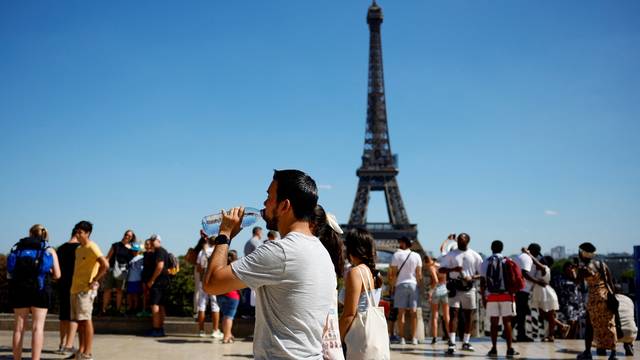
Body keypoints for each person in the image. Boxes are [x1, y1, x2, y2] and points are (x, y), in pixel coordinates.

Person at [203, 169, 336, 359]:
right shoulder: (322, 253)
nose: (264, 203)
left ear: (284, 206)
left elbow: (212, 283)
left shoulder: (280, 251)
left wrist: (225, 234)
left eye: (269, 197)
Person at [9, 224, 61, 360]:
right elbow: (57, 275)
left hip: (20, 289)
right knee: (38, 327)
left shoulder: (18, 248)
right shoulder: (48, 249)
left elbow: (11, 270)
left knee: (19, 327)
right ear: (45, 234)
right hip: (40, 288)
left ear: (30, 234)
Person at [339, 228, 384, 357]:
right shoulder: (374, 273)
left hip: (355, 335)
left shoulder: (356, 272)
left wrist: (335, 339)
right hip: (369, 336)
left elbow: (349, 314)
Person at [70, 221, 109, 360]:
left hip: (85, 290)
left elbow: (105, 265)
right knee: (79, 322)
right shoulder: (78, 249)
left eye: (80, 232)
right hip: (75, 289)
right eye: (77, 231)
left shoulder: (92, 247)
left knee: (86, 320)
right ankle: (80, 351)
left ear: (88, 233)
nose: (78, 234)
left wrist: (94, 280)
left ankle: (88, 353)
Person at [439, 233, 482, 354]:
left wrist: (472, 277)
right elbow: (440, 269)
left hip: (469, 287)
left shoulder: (475, 255)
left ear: (468, 241)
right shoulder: (451, 254)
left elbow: (482, 273)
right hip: (455, 286)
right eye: (459, 240)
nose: (459, 241)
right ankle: (452, 342)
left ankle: (466, 342)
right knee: (454, 313)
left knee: (469, 315)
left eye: (462, 240)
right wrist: (453, 269)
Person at [575, 242, 618, 360]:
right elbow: (610, 282)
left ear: (582, 253)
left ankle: (587, 352)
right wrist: (612, 297)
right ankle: (613, 354)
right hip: (606, 296)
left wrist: (577, 269)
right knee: (609, 324)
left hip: (594, 298)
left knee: (590, 325)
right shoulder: (602, 264)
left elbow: (577, 281)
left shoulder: (584, 268)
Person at [480, 240, 519, 358]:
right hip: (506, 295)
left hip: (492, 296)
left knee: (494, 323)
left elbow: (482, 282)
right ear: (502, 248)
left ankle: (494, 349)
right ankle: (509, 349)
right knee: (507, 322)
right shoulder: (508, 261)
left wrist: (483, 297)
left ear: (491, 248)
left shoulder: (485, 262)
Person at [526, 252, 570, 342]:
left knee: (549, 316)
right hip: (542, 294)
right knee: (544, 315)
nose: (539, 262)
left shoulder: (545, 268)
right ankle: (562, 326)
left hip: (546, 294)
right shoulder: (541, 270)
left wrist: (529, 254)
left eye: (541, 261)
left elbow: (536, 263)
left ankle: (551, 335)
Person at [388, 236, 422, 345]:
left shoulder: (396, 255)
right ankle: (414, 338)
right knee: (414, 313)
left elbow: (393, 274)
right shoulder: (416, 256)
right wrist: (419, 287)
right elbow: (419, 274)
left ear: (403, 243)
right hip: (413, 285)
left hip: (400, 285)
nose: (398, 244)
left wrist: (392, 287)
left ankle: (402, 338)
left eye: (400, 242)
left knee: (400, 313)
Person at [55, 228, 81, 357]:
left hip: (62, 284)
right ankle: (68, 346)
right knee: (73, 316)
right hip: (75, 284)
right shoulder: (80, 248)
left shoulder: (60, 248)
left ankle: (61, 344)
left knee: (63, 315)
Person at [101, 230, 135, 315]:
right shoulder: (116, 245)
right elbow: (108, 258)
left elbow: (134, 258)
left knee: (119, 291)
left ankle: (118, 310)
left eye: (130, 236)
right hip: (112, 269)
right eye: (126, 234)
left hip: (122, 272)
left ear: (132, 238)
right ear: (124, 235)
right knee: (107, 290)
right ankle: (103, 310)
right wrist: (104, 270)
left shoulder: (132, 248)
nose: (127, 236)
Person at [513, 243, 541, 342]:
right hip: (522, 290)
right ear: (533, 251)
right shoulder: (526, 258)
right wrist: (538, 281)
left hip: (520, 290)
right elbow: (524, 273)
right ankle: (519, 334)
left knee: (521, 312)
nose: (537, 255)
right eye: (537, 253)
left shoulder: (522, 256)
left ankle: (520, 334)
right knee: (520, 313)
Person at [552, 260, 587, 339]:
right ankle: (567, 337)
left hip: (577, 304)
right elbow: (558, 288)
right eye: (570, 268)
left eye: (573, 268)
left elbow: (583, 288)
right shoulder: (559, 277)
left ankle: (572, 338)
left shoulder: (577, 278)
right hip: (566, 303)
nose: (571, 269)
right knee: (570, 321)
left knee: (576, 322)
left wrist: (575, 274)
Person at [196, 240, 222, 338]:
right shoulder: (217, 251)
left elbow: (198, 269)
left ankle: (201, 331)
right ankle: (215, 330)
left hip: (203, 282)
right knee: (215, 305)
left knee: (201, 306)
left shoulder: (202, 252)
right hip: (214, 281)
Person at [146, 234, 170, 337]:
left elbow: (160, 266)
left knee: (154, 305)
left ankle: (156, 329)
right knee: (161, 305)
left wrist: (152, 280)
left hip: (158, 282)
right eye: (151, 240)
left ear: (159, 241)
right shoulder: (164, 251)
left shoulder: (159, 251)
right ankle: (162, 329)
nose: (152, 242)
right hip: (164, 281)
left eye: (154, 240)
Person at [216, 250, 242, 343]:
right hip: (232, 295)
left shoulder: (221, 267)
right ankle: (226, 337)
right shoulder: (236, 268)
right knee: (229, 317)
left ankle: (229, 334)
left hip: (220, 295)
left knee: (225, 316)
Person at [425, 255, 449, 345]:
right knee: (447, 316)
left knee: (435, 315)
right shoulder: (441, 266)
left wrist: (430, 291)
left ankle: (434, 338)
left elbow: (435, 280)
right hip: (445, 290)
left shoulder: (432, 267)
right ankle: (450, 336)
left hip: (436, 291)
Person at [614, 285, 637, 356]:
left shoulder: (609, 299)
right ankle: (628, 344)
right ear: (622, 292)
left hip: (614, 335)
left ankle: (601, 348)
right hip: (630, 333)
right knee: (629, 323)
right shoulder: (629, 299)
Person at [126, 243, 144, 314]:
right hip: (130, 279)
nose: (135, 251)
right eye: (134, 250)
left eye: (136, 250)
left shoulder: (142, 257)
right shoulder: (130, 258)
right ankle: (130, 308)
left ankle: (136, 308)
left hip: (137, 279)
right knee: (129, 295)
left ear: (139, 251)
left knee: (136, 295)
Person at [138, 238, 155, 317]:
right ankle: (144, 310)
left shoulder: (154, 253)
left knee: (151, 294)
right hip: (145, 275)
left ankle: (151, 310)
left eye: (148, 244)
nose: (147, 245)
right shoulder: (144, 254)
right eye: (146, 243)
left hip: (151, 276)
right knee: (144, 293)